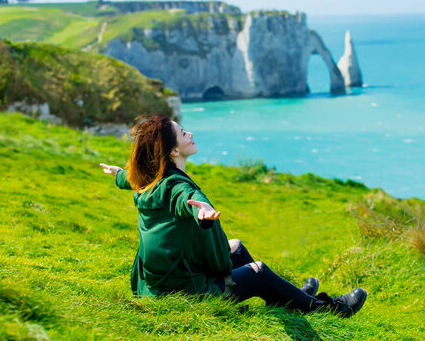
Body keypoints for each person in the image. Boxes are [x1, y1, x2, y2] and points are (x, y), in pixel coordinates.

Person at [100, 114, 366, 317]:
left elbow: (132, 180)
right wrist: (202, 213)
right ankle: (327, 308)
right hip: (183, 290)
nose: (190, 133)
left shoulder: (148, 181)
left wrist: (119, 174)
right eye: (183, 133)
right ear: (173, 151)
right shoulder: (176, 186)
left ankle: (291, 297)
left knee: (236, 247)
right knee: (258, 271)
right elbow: (187, 201)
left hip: (157, 282)